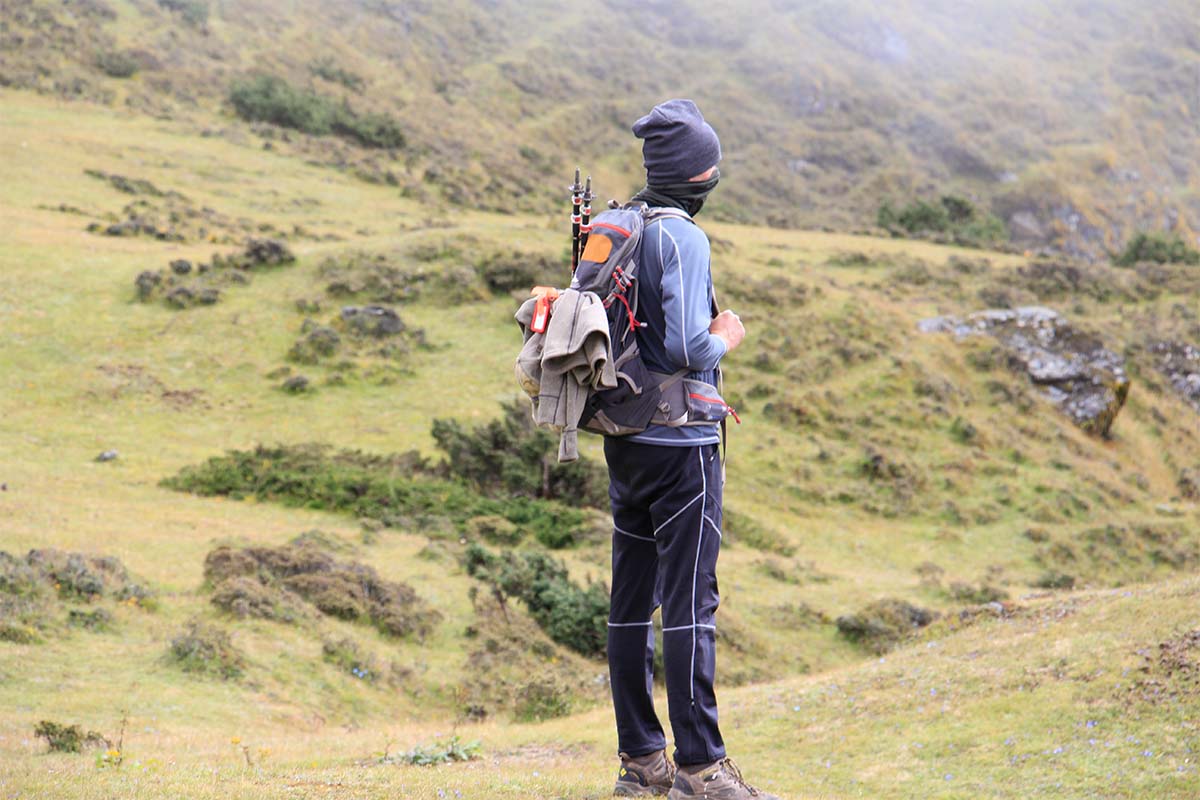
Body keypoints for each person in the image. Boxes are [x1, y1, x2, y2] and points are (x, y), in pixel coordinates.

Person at [605, 99, 776, 800]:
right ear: (696, 174)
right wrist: (727, 336)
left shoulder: (619, 224)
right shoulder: (683, 237)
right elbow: (682, 348)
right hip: (683, 443)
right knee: (689, 603)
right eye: (712, 165)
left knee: (629, 600)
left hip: (626, 440)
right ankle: (702, 768)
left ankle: (642, 762)